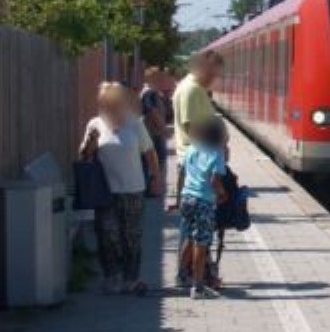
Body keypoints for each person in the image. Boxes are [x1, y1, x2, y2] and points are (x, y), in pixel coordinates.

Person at [79, 83, 161, 295]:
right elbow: (85, 156)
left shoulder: (135, 124)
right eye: (105, 102)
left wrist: (155, 177)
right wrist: (91, 141)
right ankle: (112, 277)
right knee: (107, 236)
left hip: (133, 189)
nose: (109, 106)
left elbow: (150, 152)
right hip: (105, 191)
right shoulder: (95, 124)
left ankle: (131, 278)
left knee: (132, 236)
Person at [180, 118, 228, 299]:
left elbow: (183, 173)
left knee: (189, 237)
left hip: (187, 198)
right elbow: (214, 181)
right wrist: (222, 194)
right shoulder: (217, 154)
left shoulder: (192, 149)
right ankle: (198, 286)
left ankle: (182, 275)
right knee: (201, 243)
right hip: (204, 202)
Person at [172, 49, 223, 207]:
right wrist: (214, 155)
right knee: (199, 215)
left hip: (198, 161)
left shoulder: (196, 88)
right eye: (212, 73)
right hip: (198, 164)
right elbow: (191, 128)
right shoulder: (192, 90)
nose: (214, 78)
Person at [140, 67, 170, 196]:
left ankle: (151, 187)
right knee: (155, 162)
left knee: (152, 162)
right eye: (159, 77)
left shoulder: (151, 92)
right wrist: (163, 128)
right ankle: (152, 188)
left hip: (152, 133)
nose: (162, 80)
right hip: (153, 134)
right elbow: (153, 111)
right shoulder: (149, 93)